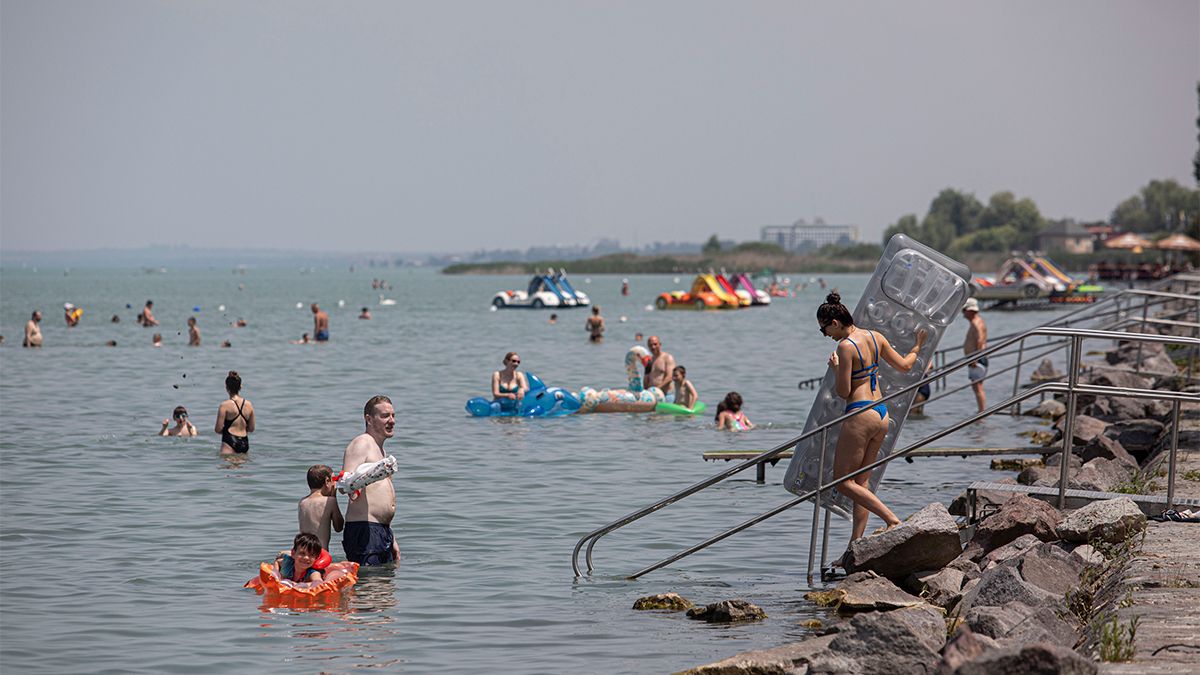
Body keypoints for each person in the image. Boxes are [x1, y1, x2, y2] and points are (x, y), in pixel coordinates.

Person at [818, 291, 927, 543]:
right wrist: (918, 345)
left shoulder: (845, 346)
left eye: (824, 330)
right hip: (881, 413)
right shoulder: (875, 336)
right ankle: (855, 544)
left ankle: (891, 519)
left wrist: (835, 369)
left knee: (843, 483)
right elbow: (905, 366)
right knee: (861, 483)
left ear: (834, 323)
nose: (826, 336)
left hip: (860, 413)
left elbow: (844, 391)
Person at [340, 395, 400, 566]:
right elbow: (345, 485)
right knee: (370, 588)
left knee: (385, 590)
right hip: (364, 529)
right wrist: (352, 486)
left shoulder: (381, 450)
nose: (391, 421)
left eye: (393, 415)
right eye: (385, 416)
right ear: (369, 419)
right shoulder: (361, 443)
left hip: (381, 530)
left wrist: (391, 536)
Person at [299, 465, 345, 550]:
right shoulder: (330, 501)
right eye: (334, 480)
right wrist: (334, 496)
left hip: (304, 550)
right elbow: (339, 527)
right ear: (327, 481)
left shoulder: (302, 502)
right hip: (320, 552)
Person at [214, 370, 254, 454]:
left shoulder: (224, 405)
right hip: (244, 442)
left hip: (229, 441)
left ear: (226, 388)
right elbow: (251, 428)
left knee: (227, 466)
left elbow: (218, 429)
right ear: (240, 387)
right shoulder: (249, 404)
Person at [962, 298, 988, 413]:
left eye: (964, 310)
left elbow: (980, 340)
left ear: (970, 310)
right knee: (976, 386)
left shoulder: (976, 322)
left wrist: (974, 359)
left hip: (977, 358)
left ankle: (981, 412)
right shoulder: (978, 321)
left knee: (978, 387)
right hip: (976, 357)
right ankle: (981, 411)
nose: (963, 313)